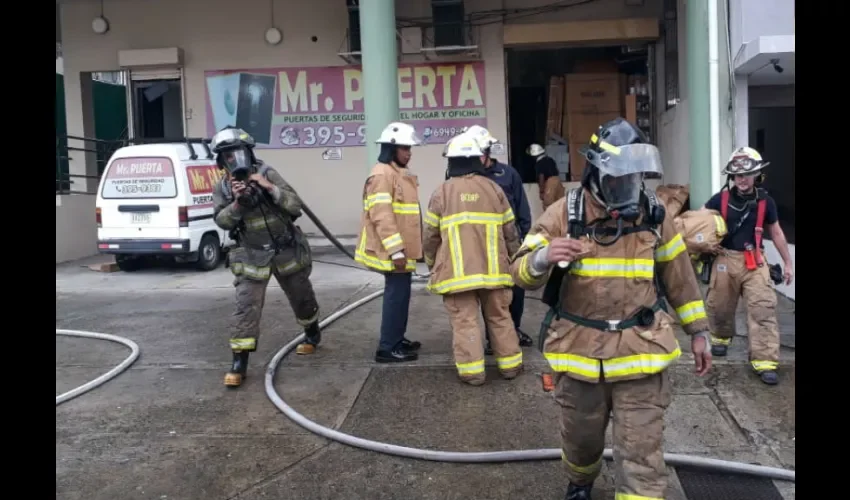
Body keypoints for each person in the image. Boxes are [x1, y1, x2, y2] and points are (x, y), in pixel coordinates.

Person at [510, 118, 712, 500]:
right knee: (581, 437)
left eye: (634, 179)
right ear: (596, 174)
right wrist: (544, 256)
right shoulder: (563, 213)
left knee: (642, 449)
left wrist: (699, 331)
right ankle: (581, 482)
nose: (627, 189)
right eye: (618, 180)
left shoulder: (654, 214)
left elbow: (680, 277)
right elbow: (519, 272)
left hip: (641, 352)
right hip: (580, 354)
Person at [211, 127, 321, 388]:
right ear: (221, 161)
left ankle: (312, 331)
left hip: (286, 250)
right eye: (228, 156)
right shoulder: (224, 188)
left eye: (237, 153)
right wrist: (238, 203)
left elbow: (295, 205)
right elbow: (222, 221)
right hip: (251, 255)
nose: (234, 160)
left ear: (248, 153)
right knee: (246, 305)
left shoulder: (267, 173)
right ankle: (239, 361)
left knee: (301, 295)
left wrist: (269, 188)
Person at [423, 130, 523, 386]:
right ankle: (510, 366)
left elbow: (430, 236)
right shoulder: (494, 189)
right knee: (500, 318)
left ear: (452, 162)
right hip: (496, 273)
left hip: (458, 276)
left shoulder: (441, 193)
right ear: (476, 160)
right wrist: (516, 259)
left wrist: (432, 262)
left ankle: (473, 372)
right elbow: (511, 231)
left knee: (465, 323)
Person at [704, 146, 794, 385]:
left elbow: (776, 232)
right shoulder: (719, 200)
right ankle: (721, 340)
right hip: (724, 259)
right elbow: (699, 225)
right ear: (732, 177)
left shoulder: (766, 202)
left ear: (756, 175)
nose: (742, 180)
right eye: (737, 175)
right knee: (719, 305)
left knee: (762, 308)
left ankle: (765, 360)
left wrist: (788, 263)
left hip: (755, 261)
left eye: (746, 174)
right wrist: (702, 245)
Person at [354, 122, 424, 363]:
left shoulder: (395, 173)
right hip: (390, 251)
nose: (409, 153)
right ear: (391, 149)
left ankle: (396, 337)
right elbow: (381, 215)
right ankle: (388, 347)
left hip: (399, 250)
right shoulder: (382, 174)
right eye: (405, 148)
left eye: (409, 148)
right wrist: (396, 251)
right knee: (397, 295)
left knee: (401, 294)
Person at [464, 125, 534, 352]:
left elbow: (522, 209)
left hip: (509, 243)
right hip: (481, 246)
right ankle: (493, 338)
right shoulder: (465, 177)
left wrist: (524, 239)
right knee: (490, 293)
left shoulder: (508, 174)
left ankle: (514, 329)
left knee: (516, 287)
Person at [527, 143, 565, 211]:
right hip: (558, 181)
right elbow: (557, 171)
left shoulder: (539, 163)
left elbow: (541, 177)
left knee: (548, 206)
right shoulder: (550, 159)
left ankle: (550, 221)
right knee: (561, 204)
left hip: (549, 182)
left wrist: (541, 191)